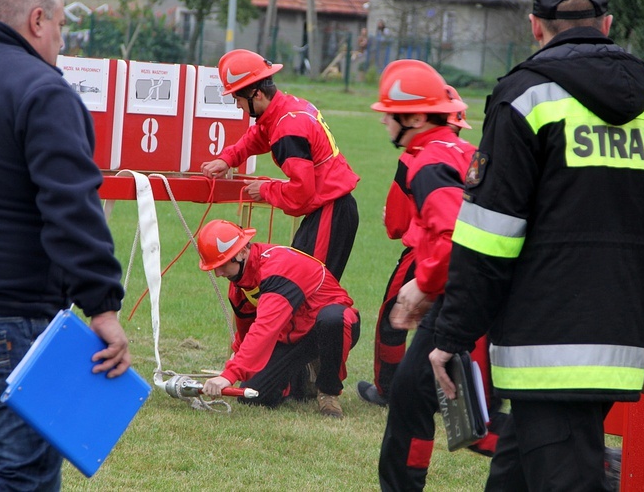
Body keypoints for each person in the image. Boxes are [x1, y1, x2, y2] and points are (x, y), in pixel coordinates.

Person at [429, 0, 644, 490]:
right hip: (623, 338)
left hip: (541, 345)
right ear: (607, 24)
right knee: (515, 475)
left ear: (534, 26)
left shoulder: (523, 96)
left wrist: (453, 337)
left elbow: (489, 235)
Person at [0, 0, 131, 489]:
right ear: (38, 20)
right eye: (62, 26)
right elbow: (71, 206)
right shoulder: (40, 89)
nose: (62, 42)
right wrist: (102, 307)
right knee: (17, 476)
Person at [357, 59, 487, 490]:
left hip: (462, 292)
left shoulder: (428, 162)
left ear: (413, 117)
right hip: (478, 288)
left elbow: (451, 237)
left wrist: (424, 286)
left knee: (444, 407)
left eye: (389, 116)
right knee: (415, 393)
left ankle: (589, 465)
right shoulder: (464, 151)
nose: (385, 125)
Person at [357, 82, 476, 408]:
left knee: (391, 321)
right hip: (475, 265)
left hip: (429, 257)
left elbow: (396, 225)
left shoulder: (419, 158)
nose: (385, 122)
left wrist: (423, 278)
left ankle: (387, 390)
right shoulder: (472, 153)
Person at [201, 49, 360, 282]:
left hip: (330, 211)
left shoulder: (288, 128)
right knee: (297, 282)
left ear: (256, 95)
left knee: (310, 289)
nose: (237, 107)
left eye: (237, 99)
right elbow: (258, 135)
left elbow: (301, 192)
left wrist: (265, 190)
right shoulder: (285, 109)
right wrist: (228, 159)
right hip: (328, 208)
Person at [198, 219, 361, 419]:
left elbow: (265, 329)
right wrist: (236, 357)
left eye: (222, 265)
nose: (218, 273)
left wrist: (229, 375)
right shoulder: (238, 284)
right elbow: (246, 328)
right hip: (291, 336)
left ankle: (328, 391)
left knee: (334, 319)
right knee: (253, 396)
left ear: (241, 252)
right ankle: (303, 378)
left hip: (328, 328)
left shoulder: (278, 269)